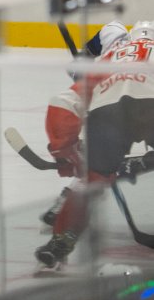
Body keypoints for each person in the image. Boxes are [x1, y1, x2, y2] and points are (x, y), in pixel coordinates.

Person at [35, 21, 154, 269]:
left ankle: (61, 241)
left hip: (108, 108)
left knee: (91, 178)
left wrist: (66, 151)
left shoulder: (110, 48)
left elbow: (62, 103)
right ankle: (138, 163)